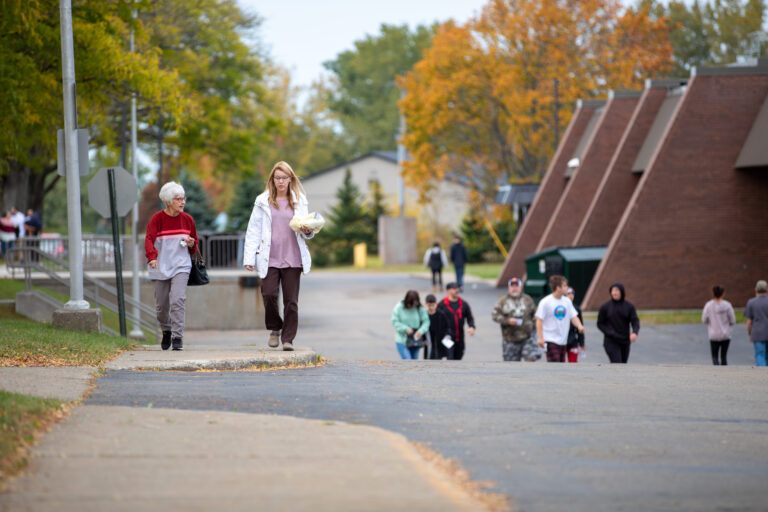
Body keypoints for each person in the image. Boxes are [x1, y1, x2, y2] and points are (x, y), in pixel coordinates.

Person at [244, 161, 314, 351]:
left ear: (290, 179)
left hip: (293, 258)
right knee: (268, 294)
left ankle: (287, 339)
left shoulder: (299, 200)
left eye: (284, 178)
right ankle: (275, 328)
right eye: (277, 178)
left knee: (291, 302)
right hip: (270, 257)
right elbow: (253, 230)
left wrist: (308, 231)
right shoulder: (262, 201)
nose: (281, 181)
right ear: (272, 180)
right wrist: (249, 258)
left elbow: (306, 228)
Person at [145, 181, 198, 351]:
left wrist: (191, 243)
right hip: (160, 266)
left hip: (181, 266)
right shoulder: (157, 219)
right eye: (178, 199)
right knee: (161, 306)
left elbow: (195, 245)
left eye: (183, 198)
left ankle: (177, 337)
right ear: (168, 201)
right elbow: (148, 240)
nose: (182, 202)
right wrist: (152, 258)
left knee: (178, 300)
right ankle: (166, 330)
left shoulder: (188, 219)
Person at [535, 275, 584, 363]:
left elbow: (573, 317)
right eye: (565, 286)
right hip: (550, 340)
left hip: (563, 341)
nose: (567, 288)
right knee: (555, 365)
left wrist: (579, 325)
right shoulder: (545, 302)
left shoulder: (567, 301)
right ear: (558, 288)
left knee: (561, 367)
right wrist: (541, 338)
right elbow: (539, 320)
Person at [492, 277, 536, 361]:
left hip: (527, 337)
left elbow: (535, 315)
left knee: (531, 358)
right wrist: (507, 320)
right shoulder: (503, 301)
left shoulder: (528, 299)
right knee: (511, 365)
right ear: (509, 287)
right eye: (512, 286)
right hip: (510, 339)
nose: (514, 288)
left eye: (516, 286)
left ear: (521, 287)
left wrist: (534, 330)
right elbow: (495, 315)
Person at [597, 282, 640, 363]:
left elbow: (635, 321)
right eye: (612, 291)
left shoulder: (629, 306)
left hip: (625, 341)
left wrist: (635, 332)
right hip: (611, 341)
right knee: (617, 363)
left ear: (621, 292)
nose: (614, 293)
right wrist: (610, 332)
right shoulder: (605, 307)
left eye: (616, 290)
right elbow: (600, 323)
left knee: (623, 364)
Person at [437, 282, 475, 360]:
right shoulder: (442, 305)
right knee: (450, 358)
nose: (456, 290)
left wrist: (471, 326)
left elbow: (469, 317)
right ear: (448, 290)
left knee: (458, 357)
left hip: (460, 337)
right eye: (454, 289)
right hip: (447, 337)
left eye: (457, 288)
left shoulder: (464, 304)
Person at [702, 285, 736, 366]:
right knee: (724, 357)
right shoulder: (727, 305)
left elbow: (704, 319)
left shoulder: (709, 305)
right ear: (722, 294)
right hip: (726, 334)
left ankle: (716, 373)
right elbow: (732, 320)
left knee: (715, 357)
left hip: (713, 334)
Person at [391, 290, 430, 360]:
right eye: (410, 304)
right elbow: (394, 321)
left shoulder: (419, 308)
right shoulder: (399, 307)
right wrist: (406, 329)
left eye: (414, 304)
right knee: (407, 360)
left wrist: (421, 331)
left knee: (414, 361)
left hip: (415, 339)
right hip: (402, 339)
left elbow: (426, 321)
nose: (412, 306)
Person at [745, 279, 768, 367]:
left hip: (758, 333)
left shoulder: (751, 302)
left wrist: (749, 332)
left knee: (760, 355)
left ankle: (762, 374)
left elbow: (749, 321)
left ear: (756, 289)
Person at [424, 293, 453, 359]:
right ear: (425, 304)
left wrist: (447, 335)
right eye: (429, 305)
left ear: (436, 304)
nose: (431, 307)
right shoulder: (424, 315)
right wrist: (423, 340)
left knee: (438, 358)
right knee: (428, 358)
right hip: (429, 341)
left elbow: (448, 327)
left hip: (439, 340)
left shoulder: (441, 314)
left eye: (433, 305)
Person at [565, 287, 585, 363]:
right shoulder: (560, 307)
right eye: (568, 294)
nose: (571, 296)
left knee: (573, 363)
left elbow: (580, 326)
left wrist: (582, 343)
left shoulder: (576, 308)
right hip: (561, 341)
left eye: (572, 294)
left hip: (572, 341)